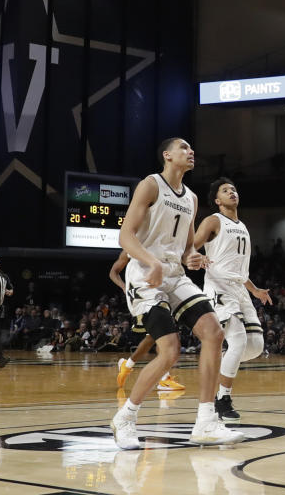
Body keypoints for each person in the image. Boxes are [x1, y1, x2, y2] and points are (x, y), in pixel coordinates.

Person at [110, 137, 244, 450]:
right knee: (169, 350)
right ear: (168, 156)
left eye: (192, 148)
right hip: (144, 275)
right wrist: (151, 261)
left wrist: (192, 258)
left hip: (173, 273)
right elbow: (125, 236)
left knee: (213, 332)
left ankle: (206, 421)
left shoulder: (192, 199)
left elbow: (186, 250)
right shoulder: (151, 185)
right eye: (183, 147)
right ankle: (126, 417)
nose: (191, 151)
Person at [194, 177, 272, 422]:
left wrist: (255, 289)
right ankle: (222, 399)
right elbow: (191, 246)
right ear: (217, 200)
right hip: (219, 286)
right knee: (237, 341)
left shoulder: (243, 225)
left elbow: (238, 268)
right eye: (226, 191)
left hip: (240, 288)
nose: (232, 193)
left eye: (234, 189)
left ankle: (221, 360)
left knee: (256, 346)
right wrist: (198, 257)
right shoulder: (213, 221)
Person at [109, 251, 185, 391]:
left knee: (154, 337)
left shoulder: (161, 244)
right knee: (163, 332)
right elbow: (113, 272)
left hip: (162, 290)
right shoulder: (131, 248)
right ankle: (164, 379)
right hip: (144, 295)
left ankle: (128, 364)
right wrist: (123, 286)